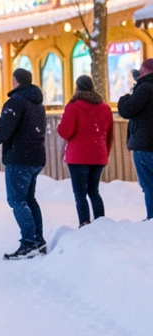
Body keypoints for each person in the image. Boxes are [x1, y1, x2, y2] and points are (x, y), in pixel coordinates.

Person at [0, 67, 48, 258]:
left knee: (17, 200)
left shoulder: (15, 102)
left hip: (19, 157)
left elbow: (4, 131)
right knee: (29, 199)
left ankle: (29, 243)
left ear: (15, 81)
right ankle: (38, 240)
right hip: (36, 157)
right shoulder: (38, 103)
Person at [56, 75, 112, 227]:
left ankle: (84, 222)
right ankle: (101, 222)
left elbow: (66, 131)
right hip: (98, 154)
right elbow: (109, 133)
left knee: (80, 193)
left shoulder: (73, 106)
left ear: (77, 87)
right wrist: (105, 153)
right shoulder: (105, 107)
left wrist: (59, 127)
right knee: (94, 191)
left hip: (78, 156)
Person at [117, 59, 153, 221]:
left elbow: (127, 110)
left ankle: (151, 218)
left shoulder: (145, 88)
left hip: (144, 144)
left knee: (148, 185)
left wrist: (124, 98)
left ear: (145, 72)